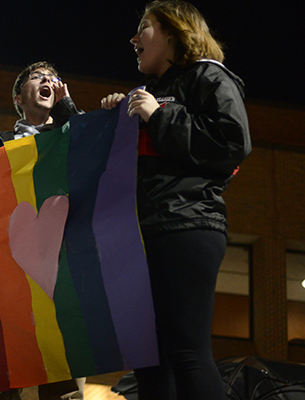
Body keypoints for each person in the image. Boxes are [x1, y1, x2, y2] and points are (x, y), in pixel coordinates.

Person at [100, 1, 251, 399]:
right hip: (144, 232)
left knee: (187, 353)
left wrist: (159, 116)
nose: (133, 38)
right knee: (148, 362)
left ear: (173, 32)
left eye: (144, 27)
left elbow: (233, 142)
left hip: (186, 226)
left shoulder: (208, 75)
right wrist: (116, 120)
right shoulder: (149, 94)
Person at [0, 61, 85, 400]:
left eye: (54, 78)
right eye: (37, 78)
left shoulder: (74, 131)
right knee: (7, 381)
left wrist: (69, 110)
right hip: (9, 273)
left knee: (63, 379)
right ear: (18, 98)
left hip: (63, 268)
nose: (47, 81)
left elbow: (94, 147)